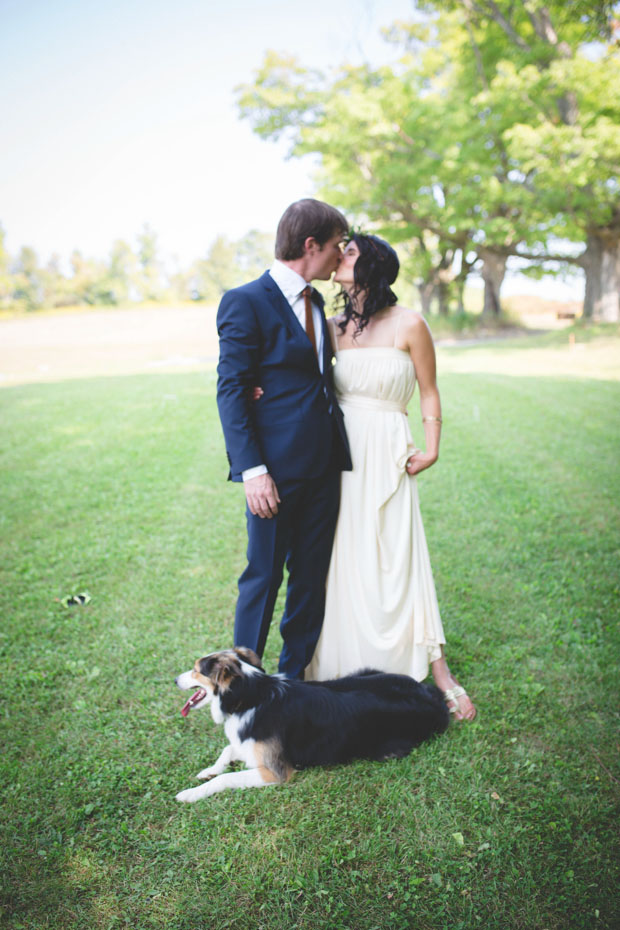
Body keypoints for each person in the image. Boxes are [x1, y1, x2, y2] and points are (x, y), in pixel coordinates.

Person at [305, 233, 476, 721]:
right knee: (344, 552)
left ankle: (436, 669)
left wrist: (434, 446)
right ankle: (343, 660)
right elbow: (299, 378)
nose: (340, 257)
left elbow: (428, 391)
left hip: (389, 447)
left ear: (374, 265)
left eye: (351, 252)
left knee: (398, 553)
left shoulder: (410, 323)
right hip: (339, 451)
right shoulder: (330, 325)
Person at [216, 198, 351, 680]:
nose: (341, 254)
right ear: (310, 245)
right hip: (272, 470)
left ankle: (291, 682)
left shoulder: (317, 300)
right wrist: (253, 471)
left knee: (310, 580)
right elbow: (232, 388)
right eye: (337, 245)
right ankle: (240, 688)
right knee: (263, 577)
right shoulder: (245, 301)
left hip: (324, 465)